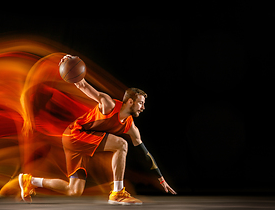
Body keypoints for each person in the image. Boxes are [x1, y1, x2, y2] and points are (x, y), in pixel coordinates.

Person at [17, 55, 176, 205]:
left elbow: (145, 154)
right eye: (140, 103)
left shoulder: (131, 127)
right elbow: (81, 84)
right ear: (129, 102)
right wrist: (67, 61)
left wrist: (161, 179)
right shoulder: (108, 104)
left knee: (73, 190)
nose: (143, 107)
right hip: (75, 134)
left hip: (79, 141)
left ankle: (29, 181)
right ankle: (118, 193)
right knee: (121, 144)